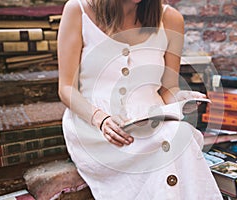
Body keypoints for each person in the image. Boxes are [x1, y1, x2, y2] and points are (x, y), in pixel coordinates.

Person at [58, 0, 223, 199]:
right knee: (170, 141)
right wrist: (100, 119)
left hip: (152, 119)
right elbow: (66, 88)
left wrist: (182, 100)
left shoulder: (171, 19)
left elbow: (169, 87)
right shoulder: (78, 10)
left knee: (180, 134)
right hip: (94, 126)